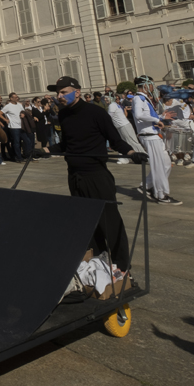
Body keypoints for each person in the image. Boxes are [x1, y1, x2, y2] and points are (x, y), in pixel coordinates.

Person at [51, 76, 140, 271]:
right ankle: (97, 260)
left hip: (96, 175)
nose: (59, 96)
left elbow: (115, 140)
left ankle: (122, 265)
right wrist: (47, 150)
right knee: (85, 221)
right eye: (57, 93)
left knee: (110, 221)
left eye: (63, 92)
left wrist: (132, 153)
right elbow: (66, 144)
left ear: (77, 92)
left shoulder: (96, 113)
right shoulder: (64, 115)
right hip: (74, 175)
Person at [131, 77, 179, 205]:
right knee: (158, 165)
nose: (153, 87)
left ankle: (146, 186)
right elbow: (138, 115)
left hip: (154, 134)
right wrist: (157, 120)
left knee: (166, 163)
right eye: (151, 84)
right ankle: (161, 194)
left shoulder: (144, 99)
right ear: (145, 85)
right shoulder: (138, 98)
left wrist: (162, 117)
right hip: (148, 136)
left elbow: (147, 116)